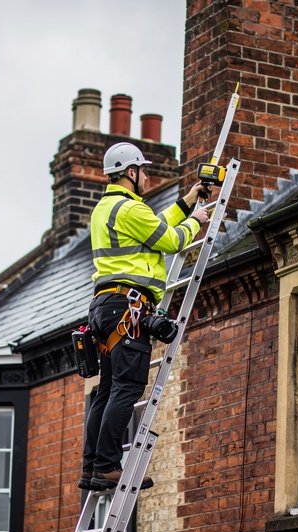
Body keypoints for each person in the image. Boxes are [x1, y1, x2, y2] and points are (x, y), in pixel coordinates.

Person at [80, 142, 211, 490]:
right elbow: (169, 241)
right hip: (128, 308)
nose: (147, 176)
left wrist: (186, 203)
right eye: (143, 170)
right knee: (128, 388)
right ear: (130, 172)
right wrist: (196, 222)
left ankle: (92, 467)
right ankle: (109, 466)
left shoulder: (106, 209)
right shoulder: (129, 209)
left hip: (105, 307)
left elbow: (153, 227)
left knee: (107, 390)